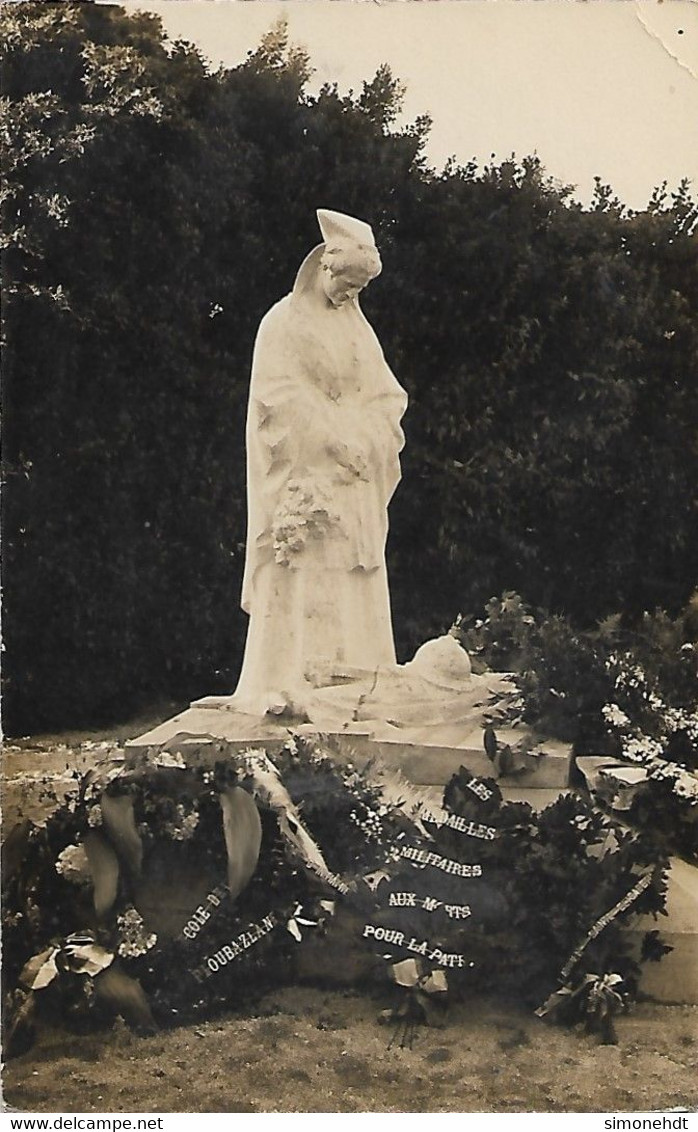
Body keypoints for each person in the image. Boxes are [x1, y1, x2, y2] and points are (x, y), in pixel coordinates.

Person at [232, 209, 408, 715]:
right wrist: (333, 440)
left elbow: (385, 395)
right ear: (323, 268)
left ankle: (356, 690)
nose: (350, 296)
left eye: (359, 289)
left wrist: (370, 438)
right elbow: (277, 397)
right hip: (307, 476)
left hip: (354, 482)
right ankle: (287, 685)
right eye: (345, 283)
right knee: (303, 576)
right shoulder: (281, 323)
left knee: (353, 585)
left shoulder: (359, 331)